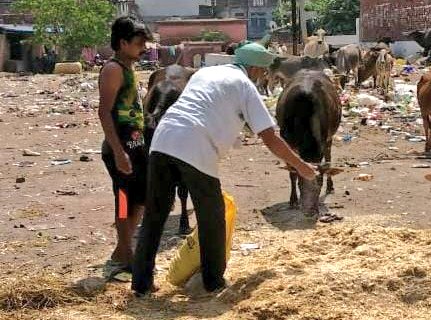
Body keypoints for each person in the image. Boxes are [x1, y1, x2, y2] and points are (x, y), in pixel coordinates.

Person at [131, 42, 317, 296]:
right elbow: (270, 138)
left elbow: (216, 110)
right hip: (195, 146)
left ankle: (141, 284)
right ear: (253, 68)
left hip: (163, 139)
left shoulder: (207, 72)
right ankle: (212, 282)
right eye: (262, 72)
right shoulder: (245, 87)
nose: (263, 77)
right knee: (212, 216)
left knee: (155, 215)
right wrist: (301, 166)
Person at [98, 16, 152, 279]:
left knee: (140, 198)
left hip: (136, 145)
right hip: (120, 147)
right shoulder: (113, 69)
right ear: (122, 43)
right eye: (139, 43)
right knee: (123, 200)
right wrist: (118, 152)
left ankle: (122, 249)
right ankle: (127, 253)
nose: (144, 48)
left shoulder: (128, 68)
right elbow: (104, 112)